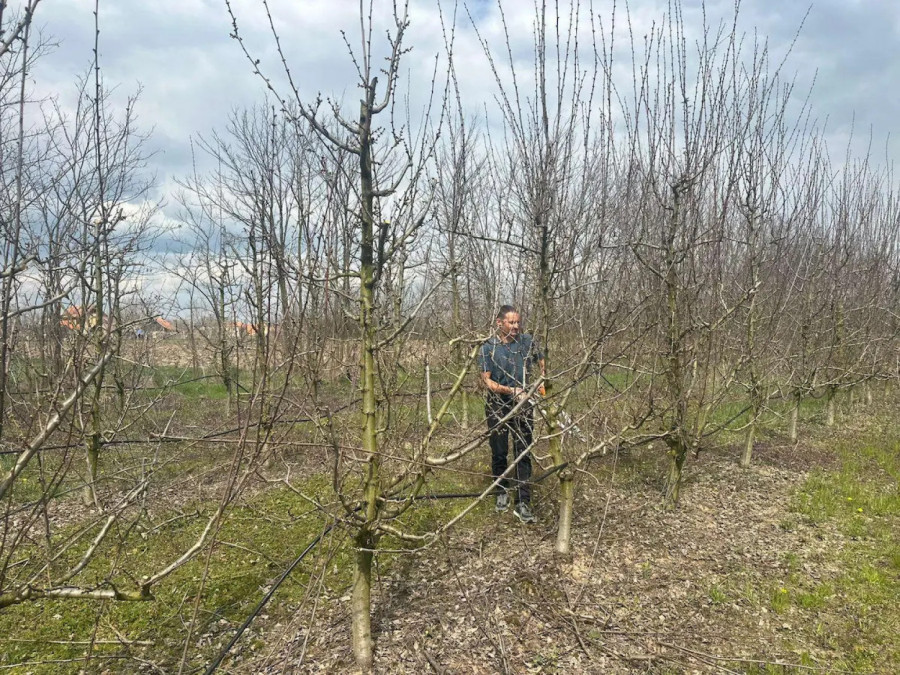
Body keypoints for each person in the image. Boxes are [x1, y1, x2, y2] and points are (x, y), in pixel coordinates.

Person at [478, 305, 544, 523]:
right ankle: (501, 491)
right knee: (499, 450)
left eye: (518, 322)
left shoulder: (526, 342)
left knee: (523, 451)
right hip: (498, 404)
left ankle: (523, 502)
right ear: (500, 323)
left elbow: (542, 364)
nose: (516, 327)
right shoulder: (489, 348)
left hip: (524, 403)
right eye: (511, 323)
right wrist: (510, 390)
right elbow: (486, 380)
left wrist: (540, 385)